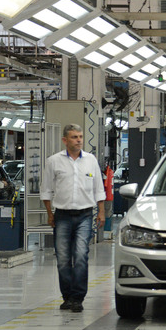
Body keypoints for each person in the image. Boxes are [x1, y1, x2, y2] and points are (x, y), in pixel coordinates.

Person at [41, 124, 106, 313]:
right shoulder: (53, 161)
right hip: (62, 216)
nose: (78, 140)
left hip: (85, 215)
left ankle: (77, 298)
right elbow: (46, 190)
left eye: (80, 136)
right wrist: (49, 214)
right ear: (65, 140)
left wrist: (101, 212)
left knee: (80, 257)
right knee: (62, 258)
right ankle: (67, 297)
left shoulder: (91, 160)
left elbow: (98, 188)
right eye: (74, 137)